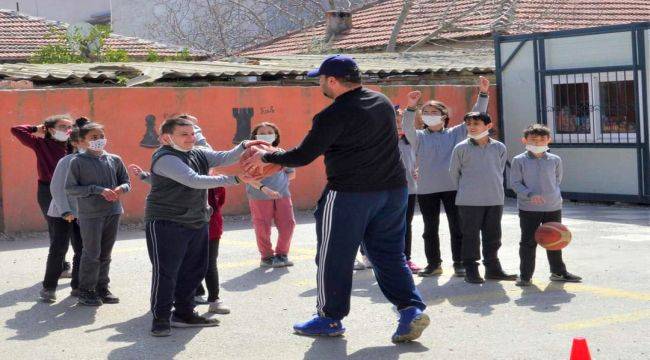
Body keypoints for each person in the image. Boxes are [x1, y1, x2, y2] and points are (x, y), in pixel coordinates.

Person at [243, 55, 429, 343]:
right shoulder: (380, 102)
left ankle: (330, 318)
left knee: (333, 257)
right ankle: (410, 310)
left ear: (332, 80)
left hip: (349, 195)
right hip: (393, 192)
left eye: (320, 79)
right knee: (389, 254)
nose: (319, 84)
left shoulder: (333, 114)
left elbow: (303, 155)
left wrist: (266, 155)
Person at [144, 116, 265, 337]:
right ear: (165, 138)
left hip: (197, 220)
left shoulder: (197, 152)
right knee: (167, 273)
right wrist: (237, 180)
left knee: (194, 270)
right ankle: (160, 319)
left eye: (192, 133)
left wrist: (244, 145)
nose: (191, 138)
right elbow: (194, 180)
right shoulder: (164, 158)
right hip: (166, 222)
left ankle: (184, 314)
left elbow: (223, 157)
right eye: (184, 134)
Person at [403, 77, 490, 278]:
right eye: (425, 112)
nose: (430, 115)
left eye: (434, 112)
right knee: (429, 229)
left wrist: (483, 93)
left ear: (444, 116)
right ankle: (434, 264)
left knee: (457, 227)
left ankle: (459, 263)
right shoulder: (418, 137)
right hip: (426, 189)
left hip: (453, 187)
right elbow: (407, 126)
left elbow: (477, 115)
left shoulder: (456, 133)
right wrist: (410, 106)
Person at [65, 122, 131, 305]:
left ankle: (102, 288)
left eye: (101, 136)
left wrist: (120, 189)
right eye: (93, 137)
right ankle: (86, 290)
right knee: (91, 253)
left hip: (113, 211)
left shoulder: (114, 159)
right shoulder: (77, 161)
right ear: (83, 141)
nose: (99, 140)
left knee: (105, 253)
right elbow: (70, 188)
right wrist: (97, 190)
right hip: (90, 214)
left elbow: (126, 182)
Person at [509, 124, 582, 286]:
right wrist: (530, 194)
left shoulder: (555, 160)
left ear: (549, 140)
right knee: (528, 242)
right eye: (533, 140)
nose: (538, 143)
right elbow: (515, 183)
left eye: (542, 139)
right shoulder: (519, 160)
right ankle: (525, 275)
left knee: (555, 239)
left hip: (553, 206)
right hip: (529, 208)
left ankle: (558, 272)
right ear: (525, 141)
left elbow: (557, 180)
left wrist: (550, 196)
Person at [449, 112, 516, 284]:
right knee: (470, 236)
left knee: (493, 236)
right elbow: (454, 174)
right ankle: (471, 270)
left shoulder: (499, 147)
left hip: (494, 199)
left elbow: (499, 170)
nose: (471, 127)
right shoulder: (461, 148)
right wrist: (467, 190)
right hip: (469, 201)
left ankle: (493, 269)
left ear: (488, 126)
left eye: (476, 123)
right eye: (468, 123)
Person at [12, 115, 74, 277]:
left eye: (70, 127)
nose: (67, 130)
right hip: (48, 191)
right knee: (57, 228)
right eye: (62, 127)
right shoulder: (42, 144)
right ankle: (60, 265)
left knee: (75, 228)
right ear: (51, 130)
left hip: (73, 190)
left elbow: (92, 140)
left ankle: (78, 266)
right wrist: (37, 128)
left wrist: (83, 126)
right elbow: (17, 130)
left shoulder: (74, 145)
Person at [39, 118, 89, 302]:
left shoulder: (95, 160)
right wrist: (65, 211)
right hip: (62, 212)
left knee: (82, 249)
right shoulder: (66, 161)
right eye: (86, 140)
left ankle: (77, 286)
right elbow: (56, 188)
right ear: (75, 143)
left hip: (83, 213)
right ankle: (48, 287)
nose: (91, 144)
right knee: (59, 248)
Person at [246, 122, 296, 268]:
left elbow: (291, 173)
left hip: (283, 195)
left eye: (269, 132)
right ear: (255, 136)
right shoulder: (250, 152)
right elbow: (247, 175)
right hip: (259, 196)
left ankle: (282, 254)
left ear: (275, 136)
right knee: (262, 226)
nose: (266, 135)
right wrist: (264, 187)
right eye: (262, 132)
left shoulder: (281, 152)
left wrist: (281, 182)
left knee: (288, 224)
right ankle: (266, 257)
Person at [395, 107, 421, 273]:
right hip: (386, 190)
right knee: (383, 225)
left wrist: (419, 169)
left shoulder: (412, 141)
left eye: (401, 120)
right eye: (395, 120)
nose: (399, 124)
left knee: (406, 224)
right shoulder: (379, 140)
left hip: (409, 189)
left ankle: (406, 258)